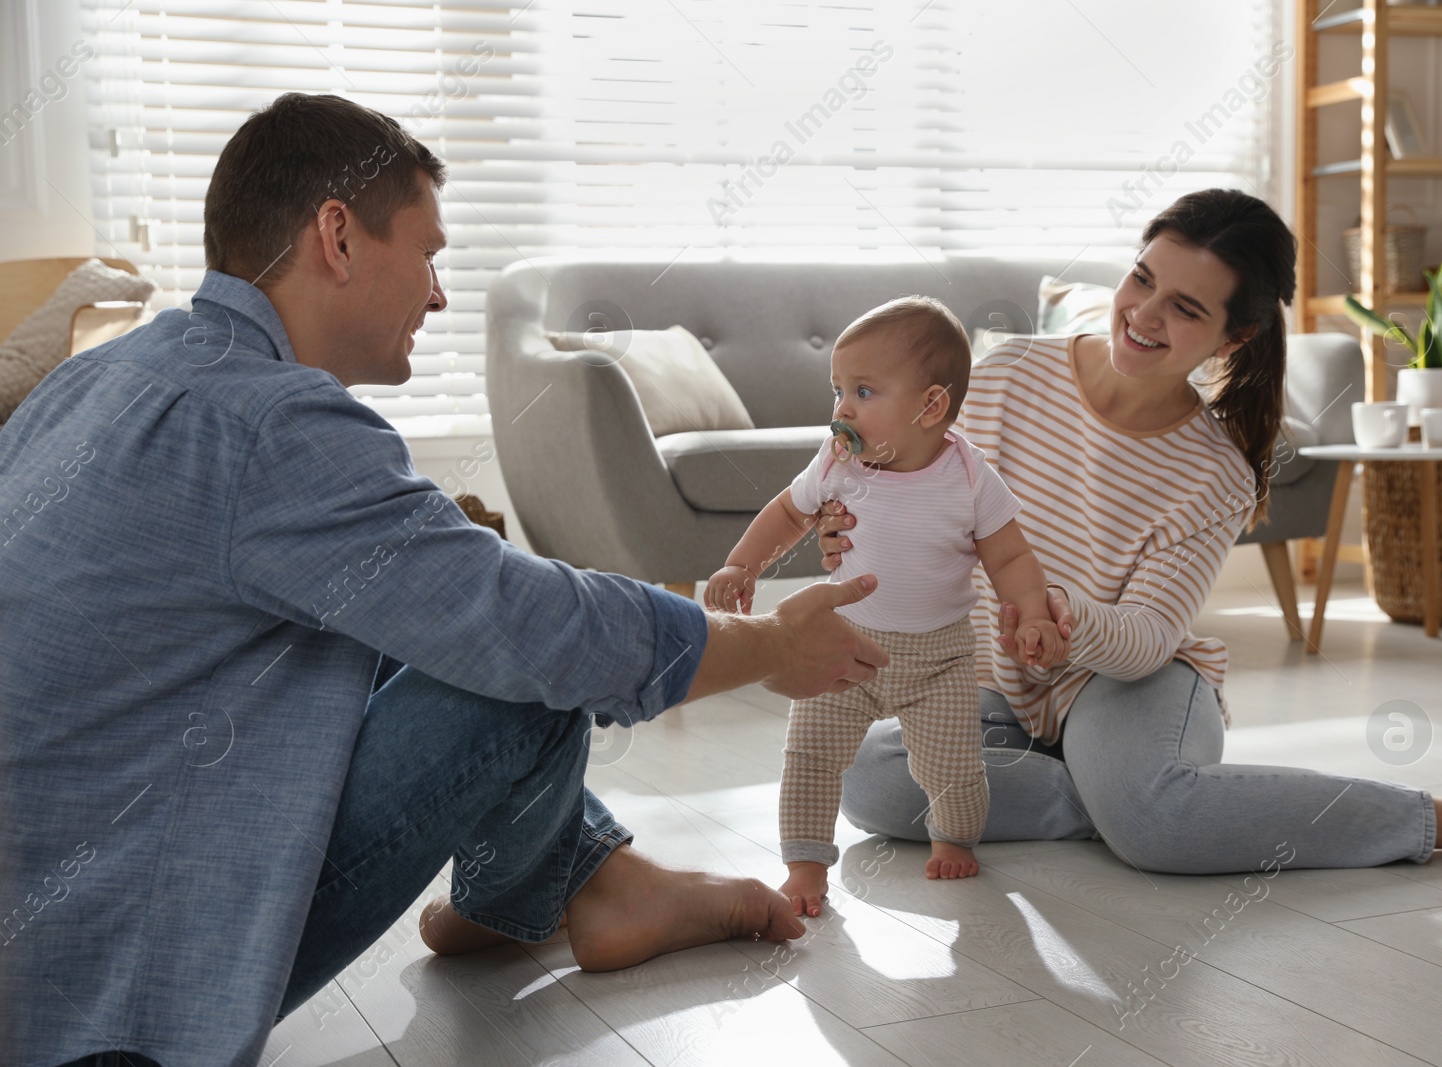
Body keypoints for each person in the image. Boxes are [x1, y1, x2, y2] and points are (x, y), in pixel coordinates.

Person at [0, 93, 889, 1067]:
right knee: (523, 659)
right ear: (336, 235)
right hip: (115, 996)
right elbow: (529, 627)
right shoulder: (270, 422)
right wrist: (772, 643)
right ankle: (549, 894)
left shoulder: (96, 382)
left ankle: (596, 879)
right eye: (427, 252)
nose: (438, 294)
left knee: (406, 605)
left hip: (42, 929)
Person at [823, 188, 1442, 873]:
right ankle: (1126, 801)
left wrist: (1067, 620)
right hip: (998, 683)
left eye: (1185, 308)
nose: (1143, 314)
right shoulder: (1004, 377)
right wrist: (858, 534)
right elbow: (920, 512)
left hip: (1128, 679)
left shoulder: (1217, 471)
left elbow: (1150, 638)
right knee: (871, 780)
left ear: (1232, 340)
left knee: (1157, 820)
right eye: (1143, 279)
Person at [704, 297, 1064, 915]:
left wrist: (1031, 612)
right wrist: (745, 562)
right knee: (811, 754)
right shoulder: (838, 461)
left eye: (864, 391)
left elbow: (1008, 557)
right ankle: (806, 863)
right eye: (838, 389)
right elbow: (790, 513)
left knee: (953, 763)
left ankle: (953, 836)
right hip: (842, 647)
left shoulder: (970, 474)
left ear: (931, 406)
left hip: (942, 659)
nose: (842, 408)